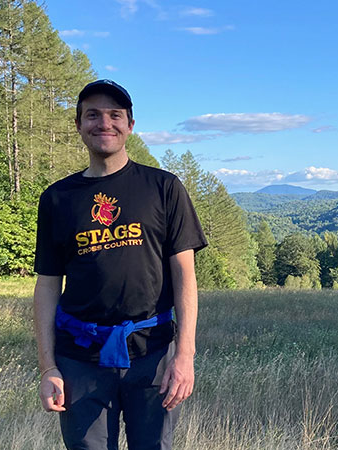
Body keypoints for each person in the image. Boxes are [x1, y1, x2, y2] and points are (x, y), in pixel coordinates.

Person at [33, 79, 207, 450]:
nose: (104, 123)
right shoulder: (57, 199)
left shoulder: (163, 187)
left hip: (153, 353)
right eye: (92, 115)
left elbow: (185, 277)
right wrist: (49, 367)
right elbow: (47, 286)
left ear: (130, 124)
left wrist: (185, 355)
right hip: (80, 358)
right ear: (78, 125)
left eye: (115, 115)